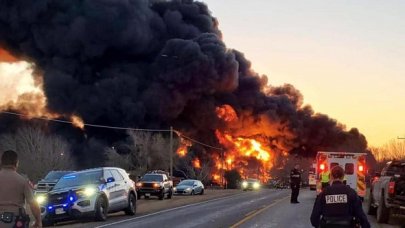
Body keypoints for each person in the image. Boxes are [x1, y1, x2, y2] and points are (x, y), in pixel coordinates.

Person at [0, 150, 42, 228]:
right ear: (17, 163)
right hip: (16, 221)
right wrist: (38, 221)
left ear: (1, 162)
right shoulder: (22, 181)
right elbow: (33, 204)